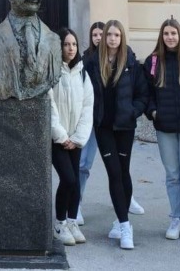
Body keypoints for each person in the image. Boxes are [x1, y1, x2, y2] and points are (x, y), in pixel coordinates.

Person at [86, 19, 149, 250]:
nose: (112, 38)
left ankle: (121, 219)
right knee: (114, 173)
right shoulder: (92, 62)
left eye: (116, 35)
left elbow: (143, 94)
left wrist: (133, 112)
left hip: (124, 127)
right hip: (103, 127)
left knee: (123, 172)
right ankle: (124, 226)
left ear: (122, 38)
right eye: (109, 35)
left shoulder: (131, 63)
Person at [144, 18, 180, 243]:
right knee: (172, 175)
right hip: (165, 126)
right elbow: (146, 92)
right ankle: (176, 218)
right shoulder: (153, 61)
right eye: (166, 33)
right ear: (162, 36)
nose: (170, 37)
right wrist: (153, 112)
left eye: (174, 33)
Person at [48, 27, 94, 246]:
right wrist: (62, 136)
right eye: (66, 44)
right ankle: (59, 223)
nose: (70, 48)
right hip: (58, 139)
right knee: (68, 179)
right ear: (60, 47)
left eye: (73, 44)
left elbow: (88, 106)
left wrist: (78, 137)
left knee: (75, 181)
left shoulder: (83, 73)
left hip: (76, 139)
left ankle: (72, 220)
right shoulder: (53, 72)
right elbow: (50, 106)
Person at [76, 21, 105, 225]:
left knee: (119, 164)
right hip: (89, 119)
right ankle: (76, 204)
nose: (98, 38)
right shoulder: (84, 59)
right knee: (83, 163)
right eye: (94, 34)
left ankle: (127, 199)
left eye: (101, 34)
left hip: (109, 119)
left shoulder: (119, 58)